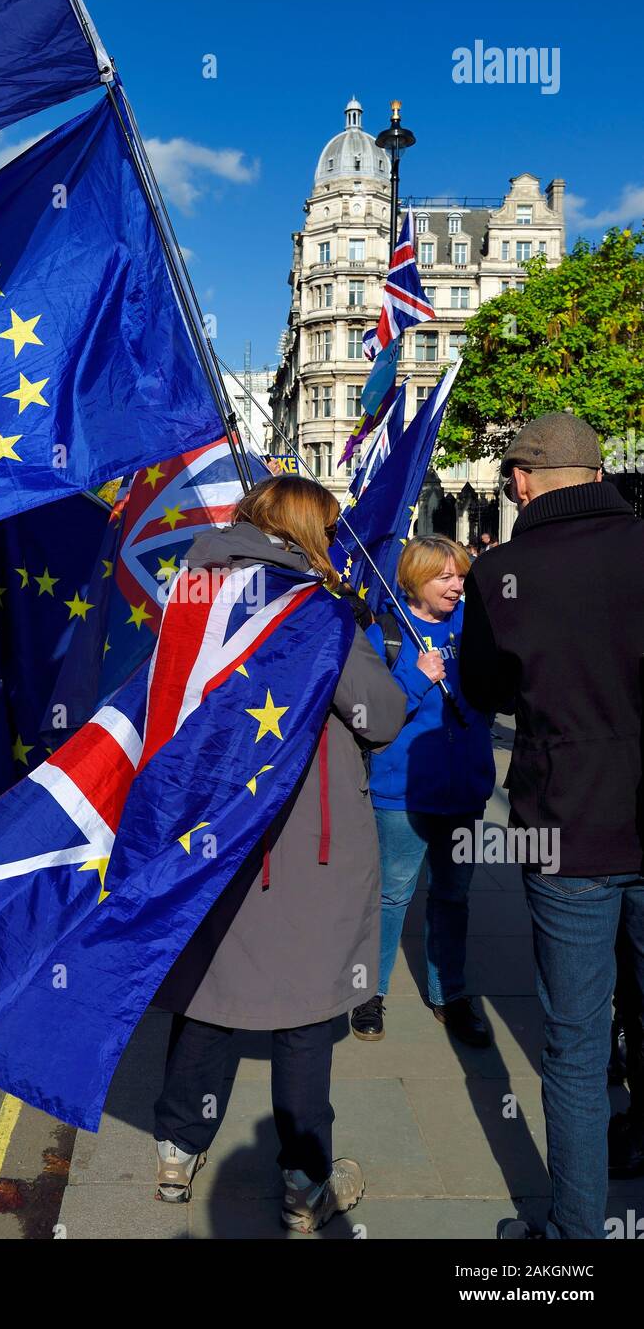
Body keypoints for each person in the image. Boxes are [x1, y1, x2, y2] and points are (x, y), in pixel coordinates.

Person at [151, 476, 407, 1232]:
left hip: (211, 833)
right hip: (305, 841)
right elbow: (381, 716)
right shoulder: (315, 610)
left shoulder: (190, 595)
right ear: (305, 529)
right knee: (306, 1008)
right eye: (328, 526)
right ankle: (303, 1182)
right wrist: (355, 636)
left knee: (211, 994)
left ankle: (175, 1152)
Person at [459, 412, 644, 1240]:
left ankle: (574, 1239)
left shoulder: (502, 571)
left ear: (523, 481)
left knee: (573, 1048)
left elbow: (488, 690)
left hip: (565, 828)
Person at [350, 537, 496, 1046]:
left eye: (460, 575)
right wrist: (415, 679)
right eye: (446, 577)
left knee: (453, 896)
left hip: (465, 792)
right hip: (401, 793)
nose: (458, 585)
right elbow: (365, 714)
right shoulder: (385, 632)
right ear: (416, 580)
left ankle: (449, 994)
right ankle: (370, 993)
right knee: (391, 896)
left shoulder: (476, 627)